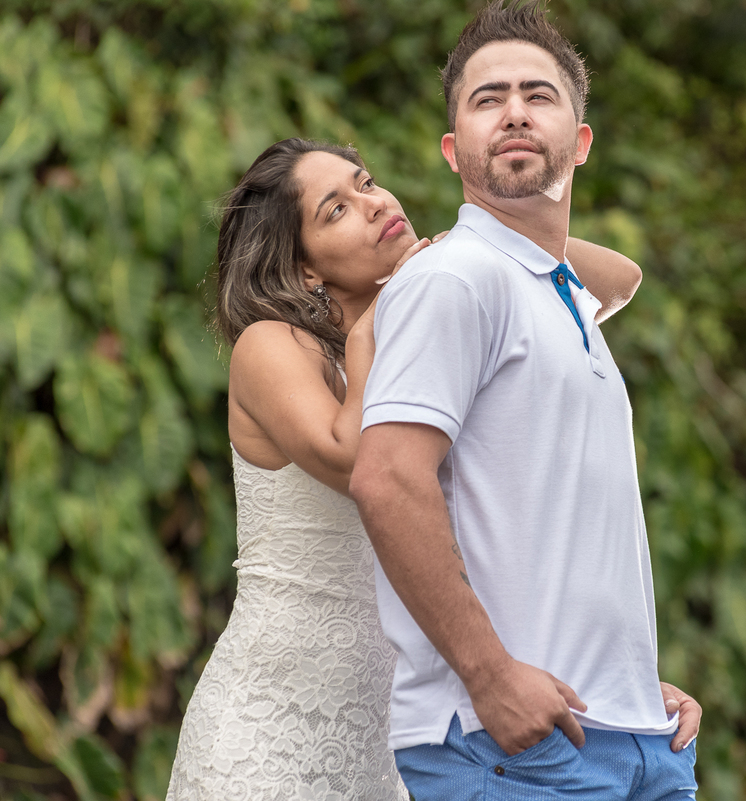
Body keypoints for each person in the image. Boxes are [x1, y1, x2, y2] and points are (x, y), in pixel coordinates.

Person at [164, 136, 649, 800]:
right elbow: (357, 458)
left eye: (366, 182)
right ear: (306, 270)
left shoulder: (432, 324)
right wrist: (364, 333)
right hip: (270, 731)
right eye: (335, 210)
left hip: (395, 732)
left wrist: (481, 242)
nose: (373, 203)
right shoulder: (269, 344)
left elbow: (619, 280)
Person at [350, 3, 701, 799]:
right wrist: (491, 674)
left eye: (538, 95)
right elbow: (387, 480)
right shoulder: (455, 278)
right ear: (453, 150)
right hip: (511, 752)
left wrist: (632, 686)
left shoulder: (565, 297)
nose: (513, 111)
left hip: (633, 737)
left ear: (579, 141)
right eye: (487, 98)